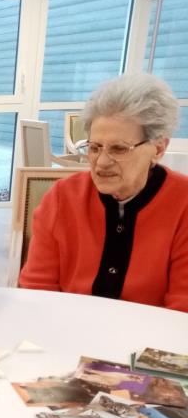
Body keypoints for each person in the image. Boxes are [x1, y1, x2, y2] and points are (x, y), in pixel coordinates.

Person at [19, 73, 188, 312]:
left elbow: (182, 310)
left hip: (152, 334)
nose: (101, 163)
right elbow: (37, 292)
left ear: (158, 149)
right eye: (95, 147)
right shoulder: (62, 198)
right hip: (67, 326)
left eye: (119, 149)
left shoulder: (183, 204)